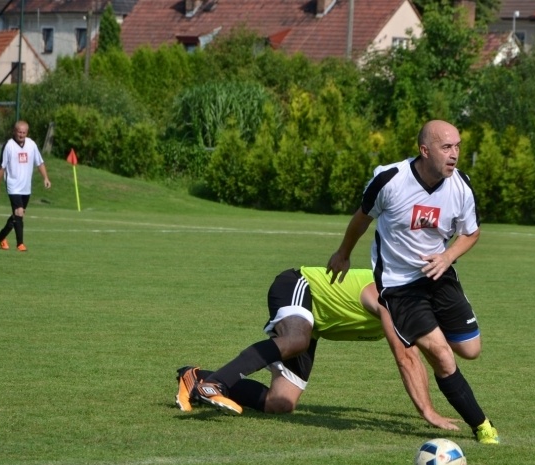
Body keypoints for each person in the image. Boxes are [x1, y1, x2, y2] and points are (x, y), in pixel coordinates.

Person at [326, 119, 499, 445]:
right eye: (446, 147)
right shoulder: (390, 179)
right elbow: (361, 218)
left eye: (458, 146)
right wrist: (343, 253)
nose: (454, 154)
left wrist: (447, 256)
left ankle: (428, 332)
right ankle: (483, 427)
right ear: (424, 150)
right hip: (398, 285)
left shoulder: (461, 186)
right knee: (443, 355)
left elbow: (471, 232)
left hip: (439, 275)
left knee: (470, 349)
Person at [176, 266, 460, 432]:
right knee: (296, 340)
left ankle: (196, 377)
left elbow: (427, 356)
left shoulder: (414, 318)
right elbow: (407, 358)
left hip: (314, 325)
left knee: (280, 403)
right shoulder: (390, 297)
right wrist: (428, 411)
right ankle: (216, 384)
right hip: (299, 285)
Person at [0, 121, 51, 252]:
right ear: (14, 131)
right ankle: (20, 244)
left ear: (27, 133)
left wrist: (45, 178)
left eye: (24, 132)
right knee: (18, 212)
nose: (21, 135)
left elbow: (40, 163)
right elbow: (1, 168)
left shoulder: (31, 144)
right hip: (13, 186)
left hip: (26, 187)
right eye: (19, 132)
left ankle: (0, 237)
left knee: (18, 215)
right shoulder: (9, 145)